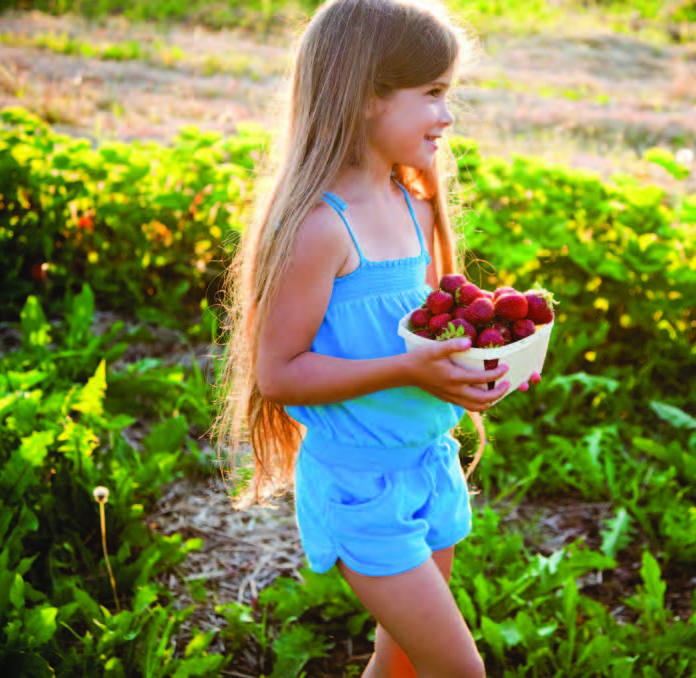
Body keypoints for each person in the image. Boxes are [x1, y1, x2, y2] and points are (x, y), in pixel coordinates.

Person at [211, 1, 539, 675]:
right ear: (365, 98)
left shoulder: (412, 207)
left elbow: (420, 348)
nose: (448, 116)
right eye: (434, 94)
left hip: (427, 464)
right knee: (460, 671)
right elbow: (279, 373)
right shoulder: (318, 228)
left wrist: (475, 373)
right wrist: (409, 372)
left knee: (402, 668)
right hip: (360, 484)